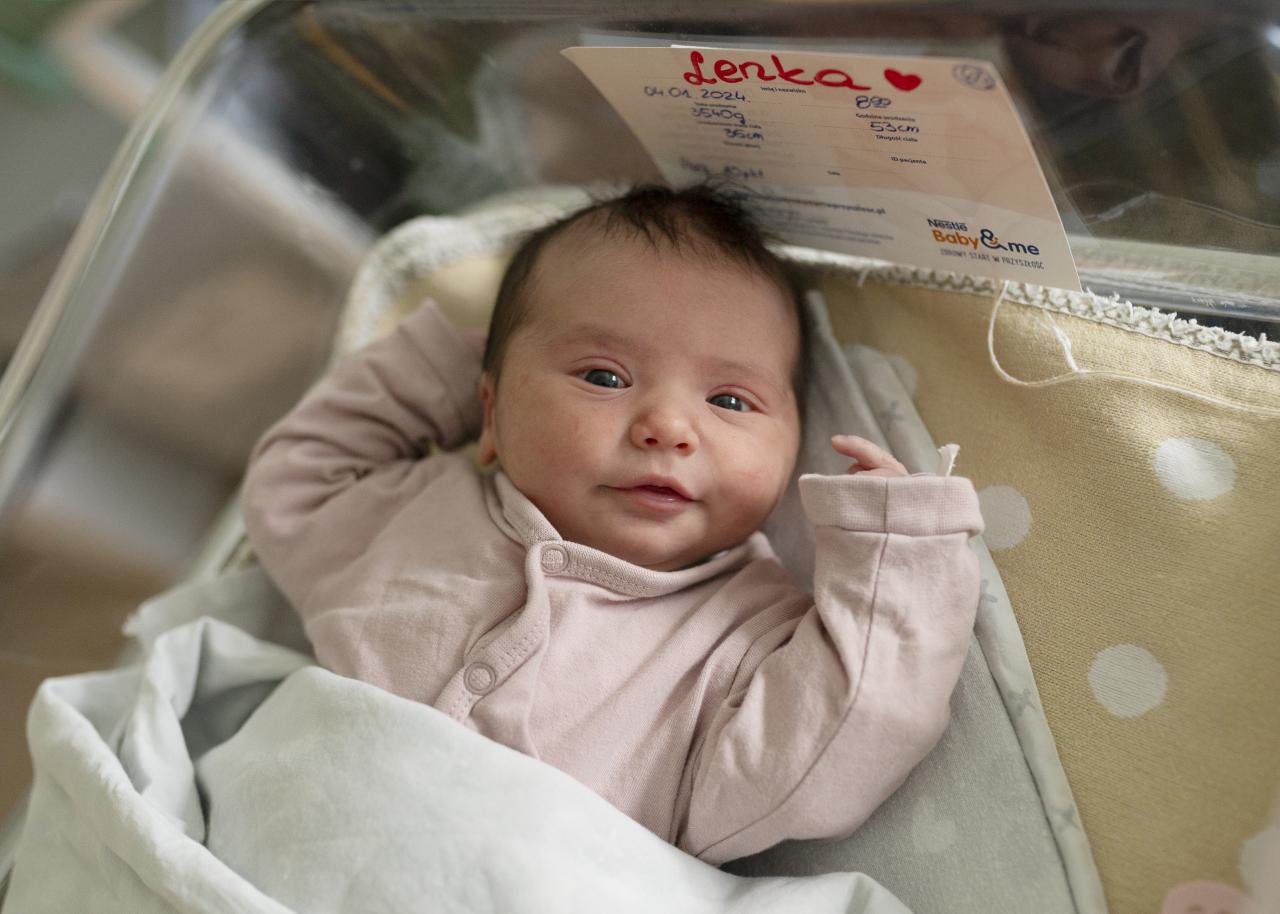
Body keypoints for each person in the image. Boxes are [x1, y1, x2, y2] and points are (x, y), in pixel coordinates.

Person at [241, 184, 983, 865]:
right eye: (603, 377)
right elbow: (296, 478)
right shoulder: (410, 513)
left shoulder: (748, 639)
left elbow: (843, 738)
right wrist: (452, 374)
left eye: (729, 401)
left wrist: (895, 554)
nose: (668, 427)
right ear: (490, 412)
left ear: (794, 453)